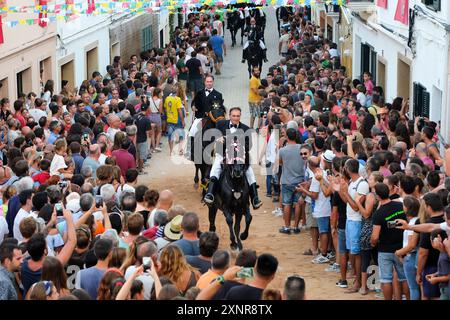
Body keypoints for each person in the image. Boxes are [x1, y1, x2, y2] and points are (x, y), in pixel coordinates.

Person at [203, 107, 262, 210]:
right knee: (215, 169)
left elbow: (249, 146)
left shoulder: (246, 129)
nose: (235, 118)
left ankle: (255, 198)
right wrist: (218, 139)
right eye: (233, 116)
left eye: (238, 116)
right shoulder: (220, 124)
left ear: (240, 116)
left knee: (250, 172)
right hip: (223, 154)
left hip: (239, 156)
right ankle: (210, 194)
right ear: (229, 116)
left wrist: (231, 140)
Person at [371, 183, 408, 300]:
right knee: (404, 278)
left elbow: (375, 236)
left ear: (377, 196)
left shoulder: (378, 214)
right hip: (402, 248)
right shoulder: (400, 206)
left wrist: (372, 243)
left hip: (385, 250)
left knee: (386, 279)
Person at [279, 128, 305, 234]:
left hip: (287, 181)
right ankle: (296, 227)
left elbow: (280, 163)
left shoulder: (282, 150)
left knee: (287, 204)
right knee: (298, 204)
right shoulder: (302, 148)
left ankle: (287, 227)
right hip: (300, 180)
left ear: (287, 137)